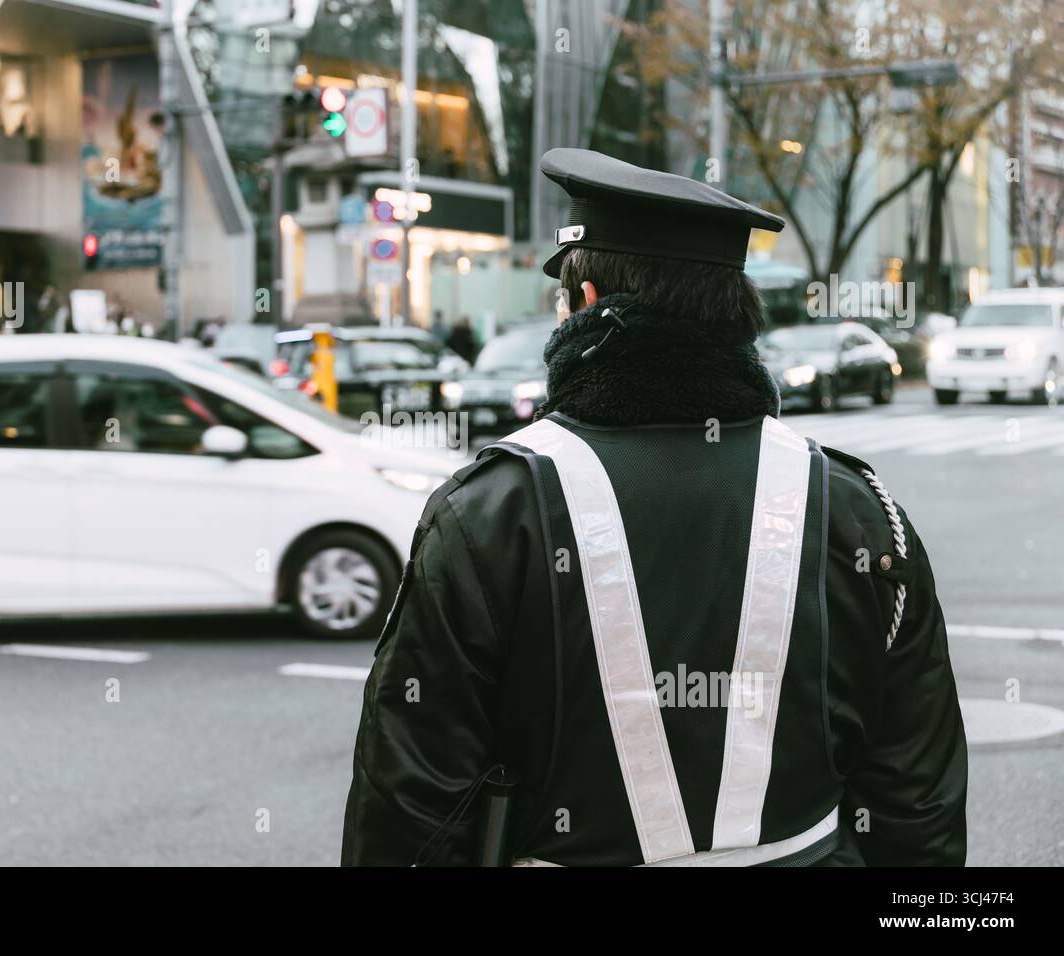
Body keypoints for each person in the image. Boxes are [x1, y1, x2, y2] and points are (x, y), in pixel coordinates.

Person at [341, 148, 967, 867]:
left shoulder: (489, 514)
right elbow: (917, 803)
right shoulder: (858, 511)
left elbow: (410, 807)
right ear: (738, 316)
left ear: (585, 303)